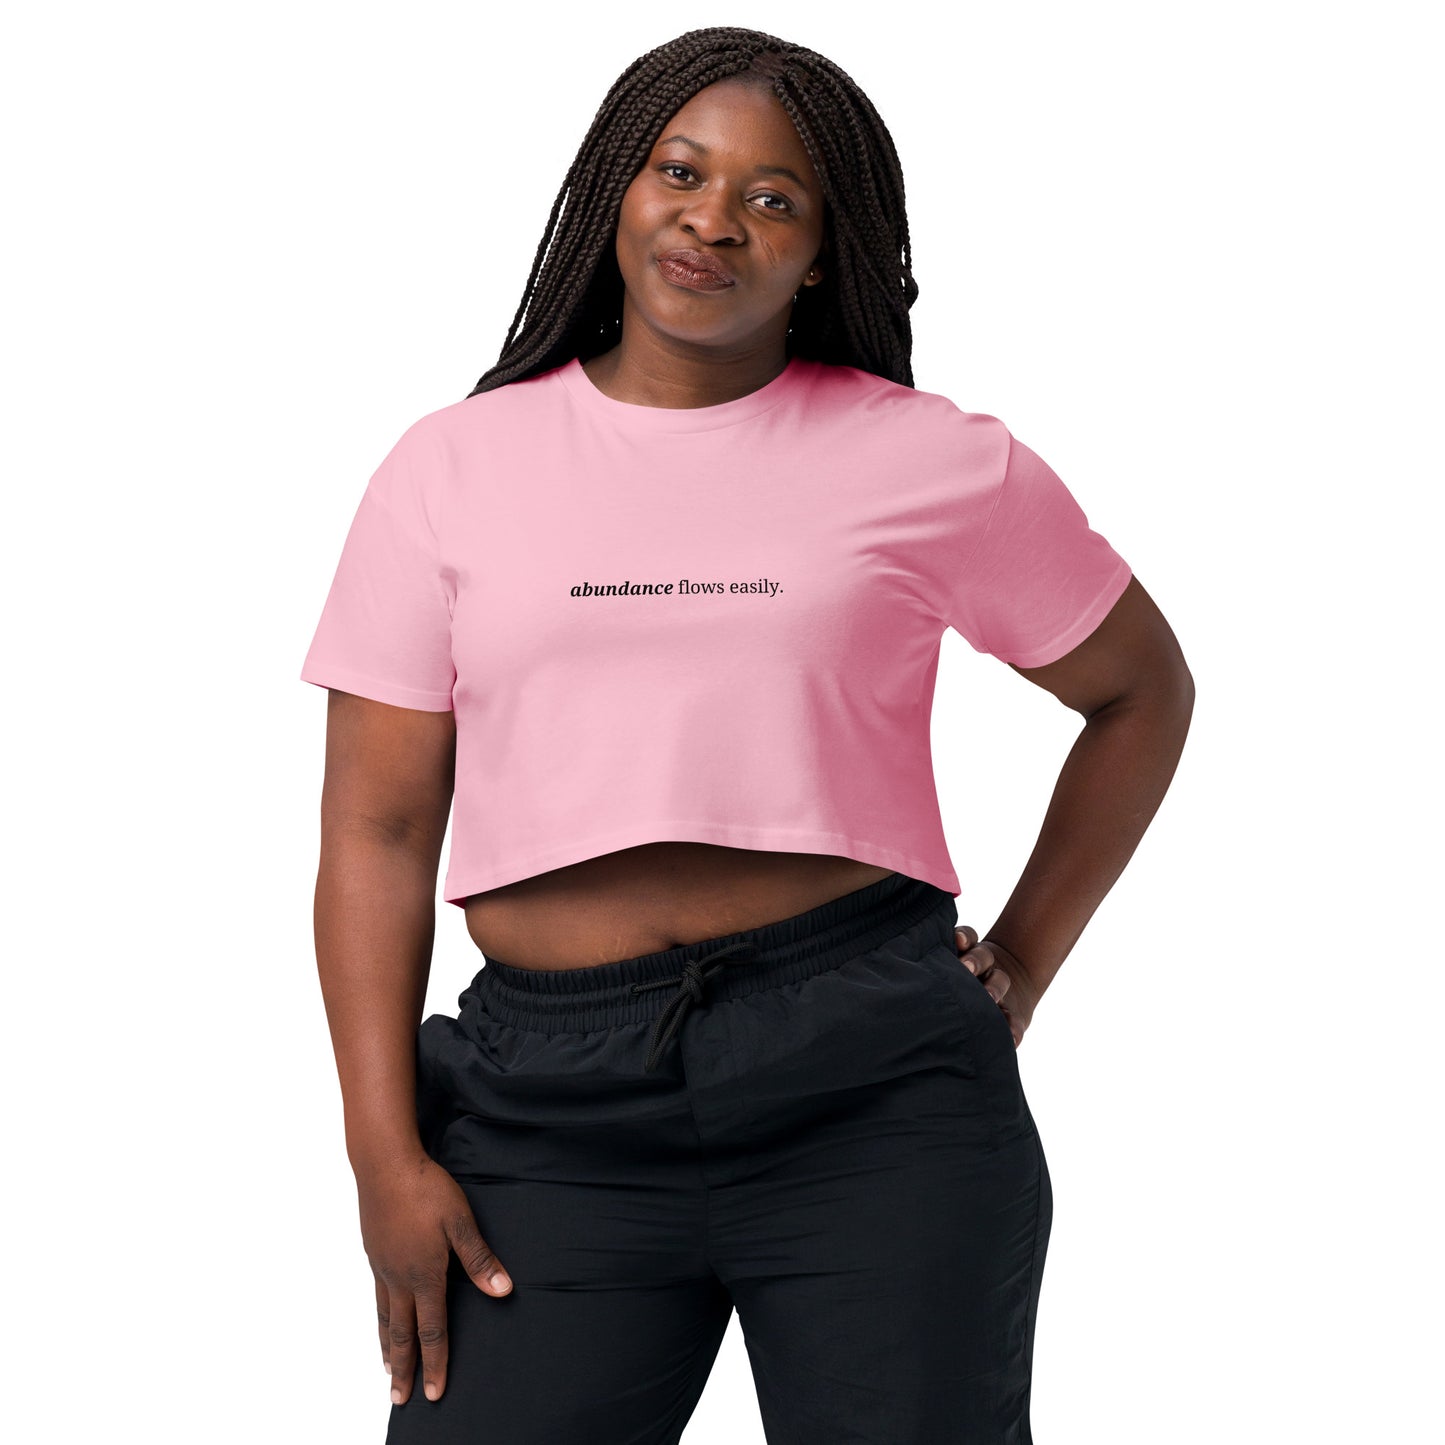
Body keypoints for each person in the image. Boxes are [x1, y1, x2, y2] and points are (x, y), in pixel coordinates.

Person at [300, 26, 1194, 1445]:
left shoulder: (932, 458)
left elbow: (1141, 690)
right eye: (680, 170)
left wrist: (1020, 959)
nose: (713, 217)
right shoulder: (449, 468)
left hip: (872, 1085)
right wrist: (379, 1146)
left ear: (827, 251)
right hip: (544, 1112)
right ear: (618, 192)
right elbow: (378, 827)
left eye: (773, 197)